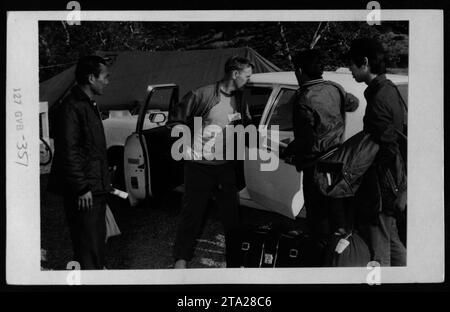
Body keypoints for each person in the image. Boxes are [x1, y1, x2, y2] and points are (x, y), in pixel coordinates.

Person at [169, 56, 253, 269]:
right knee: (192, 215)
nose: (249, 80)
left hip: (225, 167)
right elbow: (175, 122)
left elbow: (245, 124)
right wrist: (187, 148)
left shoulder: (241, 97)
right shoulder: (201, 94)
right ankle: (181, 260)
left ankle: (235, 262)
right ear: (235, 74)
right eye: (247, 75)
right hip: (199, 167)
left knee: (232, 217)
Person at [288, 49, 359, 264]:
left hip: (316, 166)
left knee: (318, 218)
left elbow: (306, 138)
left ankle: (319, 262)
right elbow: (353, 103)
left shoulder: (302, 98)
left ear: (299, 71)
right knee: (337, 214)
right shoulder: (336, 88)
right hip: (338, 160)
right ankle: (338, 258)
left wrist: (290, 151)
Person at [48, 55, 113, 270]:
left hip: (95, 187)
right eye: (105, 77)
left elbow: (90, 149)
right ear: (91, 78)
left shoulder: (87, 104)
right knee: (88, 245)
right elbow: (69, 151)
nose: (107, 81)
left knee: (96, 242)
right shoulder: (72, 107)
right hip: (85, 191)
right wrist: (82, 187)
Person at [348, 38, 407, 266]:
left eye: (352, 65)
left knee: (379, 248)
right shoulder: (387, 89)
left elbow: (386, 145)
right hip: (393, 178)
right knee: (391, 238)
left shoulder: (380, 97)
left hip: (383, 182)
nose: (351, 70)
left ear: (364, 63)